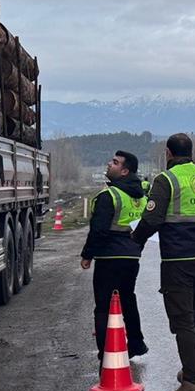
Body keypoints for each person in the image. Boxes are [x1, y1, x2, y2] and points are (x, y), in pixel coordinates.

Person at [132, 134, 195, 391]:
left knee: (183, 320)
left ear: (168, 153)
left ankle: (192, 386)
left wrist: (135, 240)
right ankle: (194, 370)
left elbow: (151, 220)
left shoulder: (166, 180)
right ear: (191, 152)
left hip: (178, 261)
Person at [81, 151, 148, 373]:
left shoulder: (109, 196)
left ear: (125, 171)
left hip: (109, 258)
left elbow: (98, 230)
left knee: (103, 307)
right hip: (132, 257)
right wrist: (136, 248)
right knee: (128, 299)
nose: (109, 164)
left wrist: (87, 255)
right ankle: (136, 343)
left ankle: (105, 354)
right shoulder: (141, 197)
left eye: (115, 162)